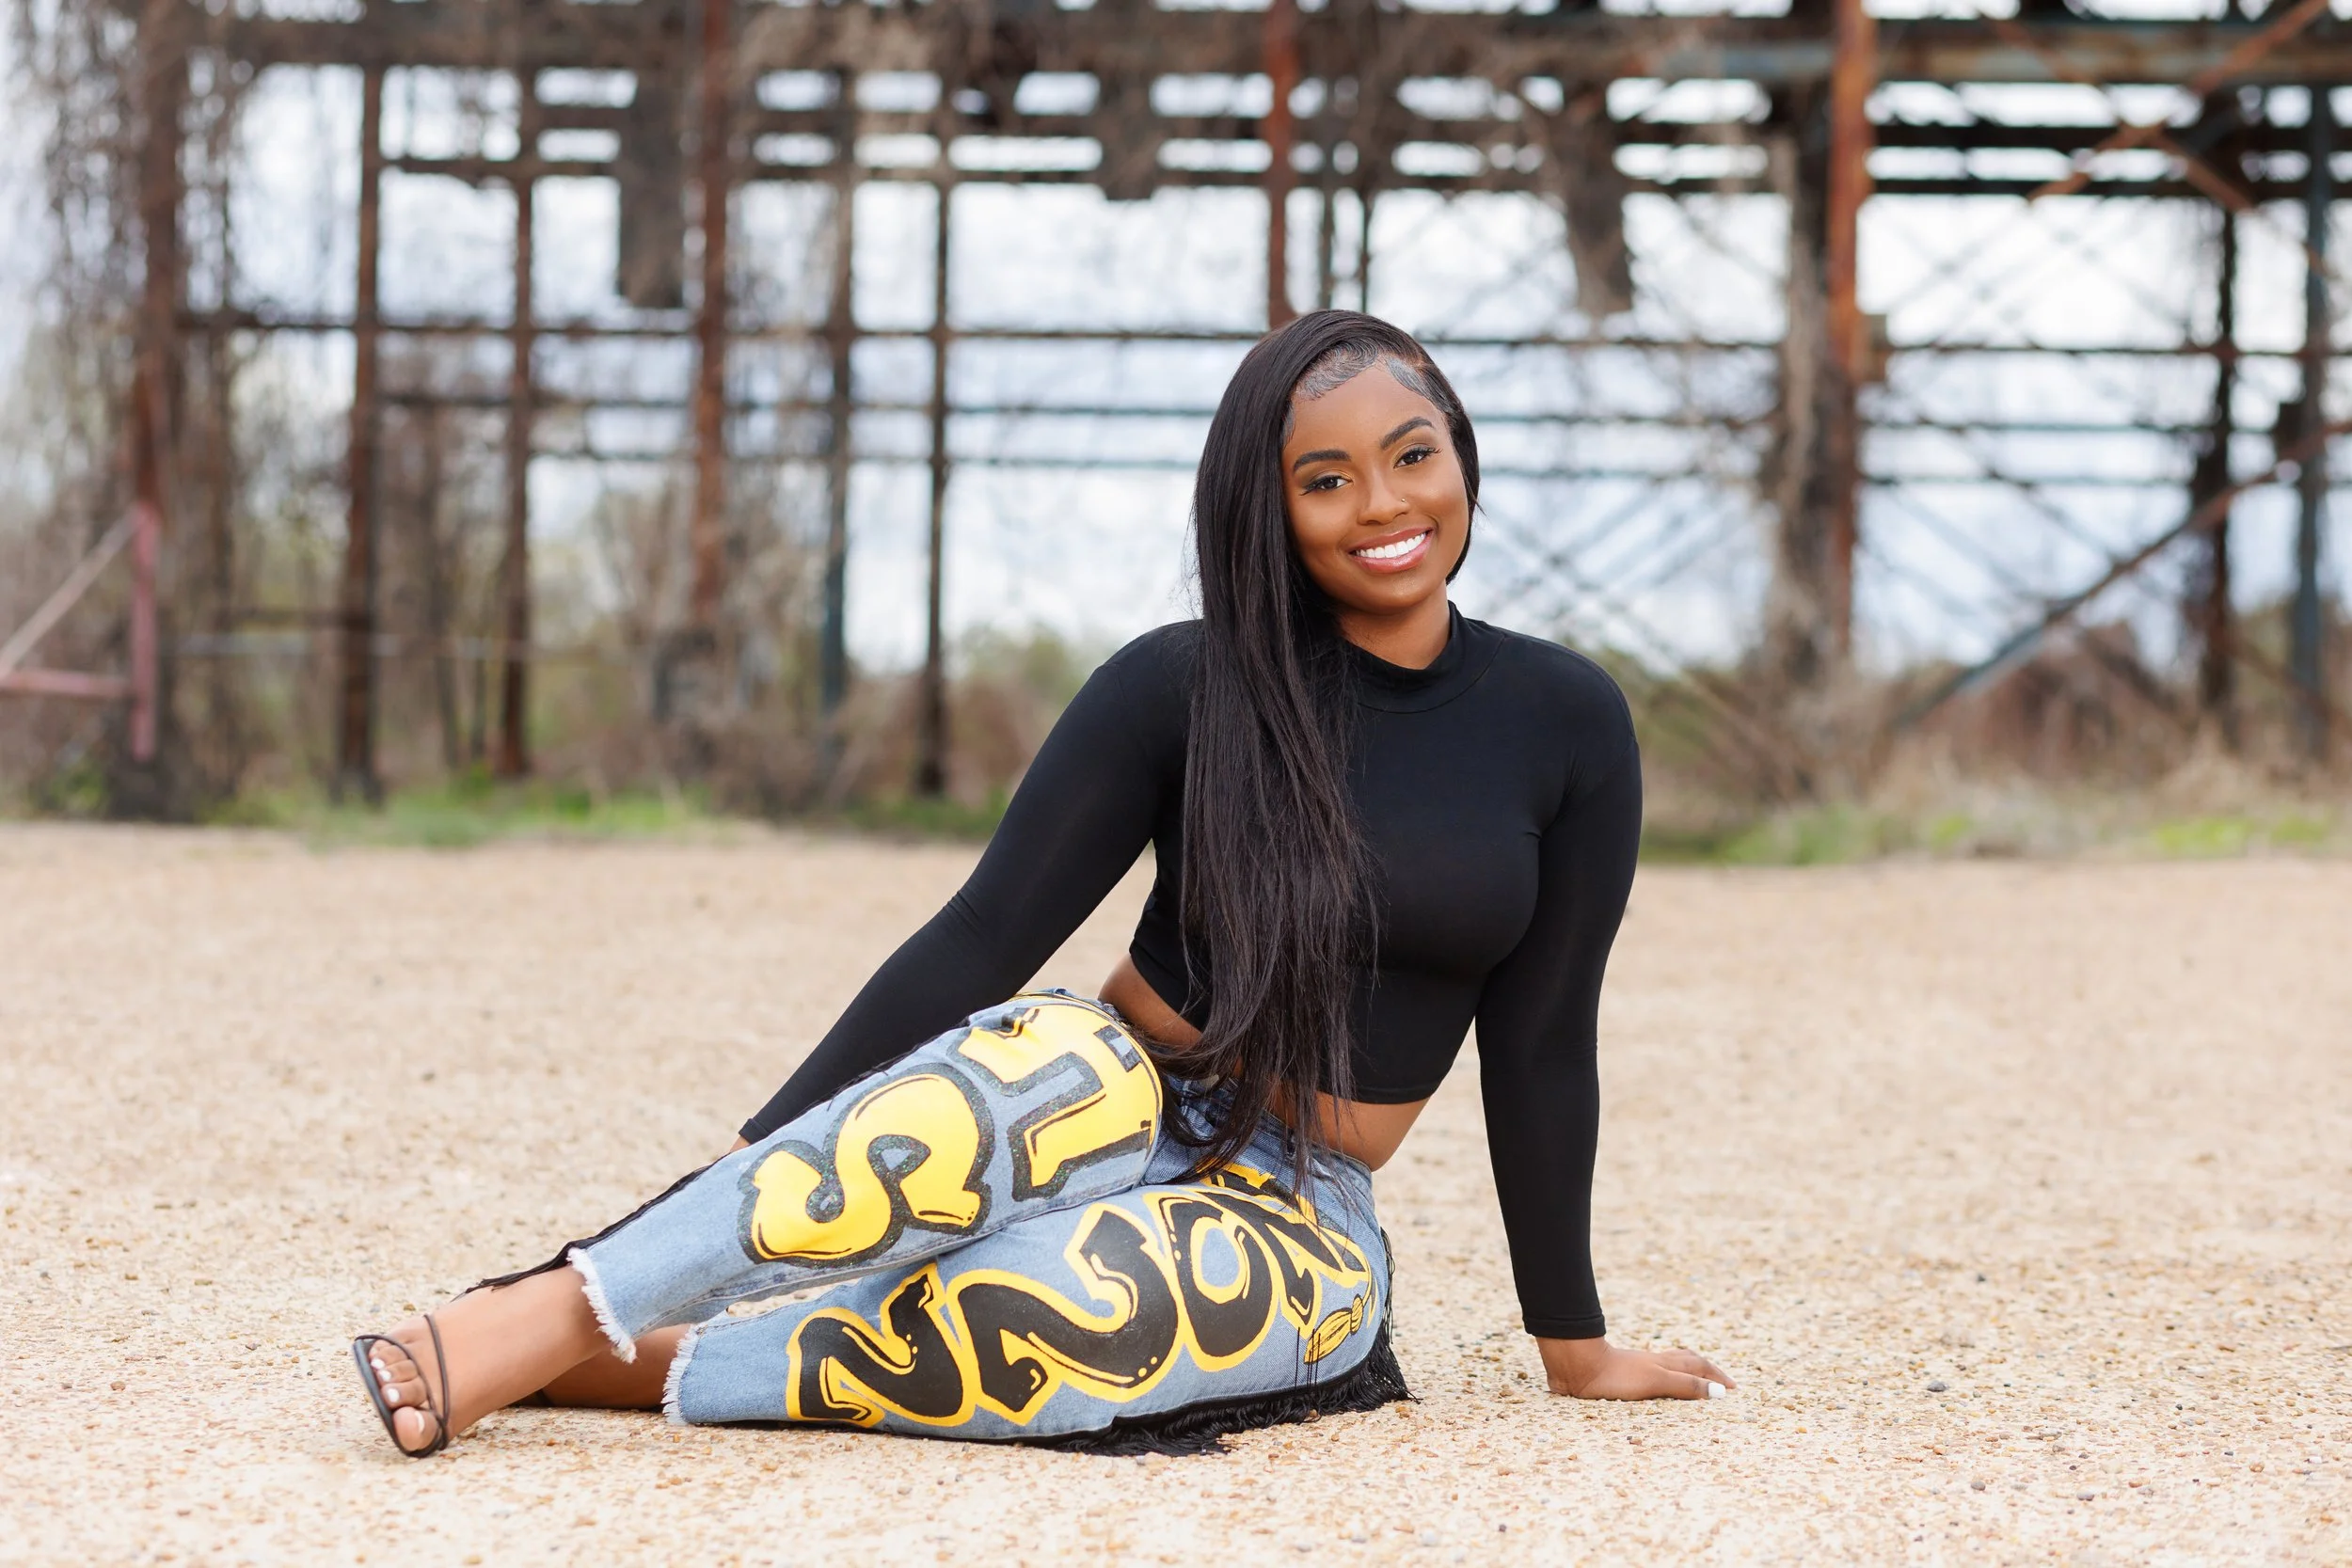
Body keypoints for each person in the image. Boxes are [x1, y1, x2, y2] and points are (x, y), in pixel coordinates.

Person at [351, 310, 1736, 1459]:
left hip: (1298, 1198)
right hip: (1100, 1094)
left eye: (1410, 455)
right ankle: (546, 1309)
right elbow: (983, 935)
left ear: (1459, 453)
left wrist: (1575, 1340)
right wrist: (749, 1166)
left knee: (1081, 1321)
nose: (1383, 506)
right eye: (1326, 479)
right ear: (1271, 508)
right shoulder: (1184, 684)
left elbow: (1545, 1045)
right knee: (992, 1096)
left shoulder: (1569, 722)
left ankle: (629, 1360)